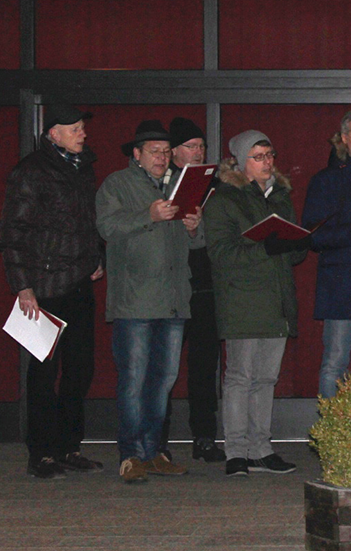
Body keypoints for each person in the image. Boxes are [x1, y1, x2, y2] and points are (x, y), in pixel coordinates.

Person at [0, 102, 105, 479]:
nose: (83, 133)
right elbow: (13, 232)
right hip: (44, 286)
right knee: (44, 373)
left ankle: (68, 447)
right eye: (74, 129)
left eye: (82, 127)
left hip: (78, 282)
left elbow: (89, 221)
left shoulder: (83, 167)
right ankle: (41, 453)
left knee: (80, 369)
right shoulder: (31, 170)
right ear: (53, 134)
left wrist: (97, 255)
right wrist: (23, 287)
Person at [96, 120, 201, 483]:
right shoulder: (117, 184)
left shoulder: (179, 185)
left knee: (164, 380)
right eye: (154, 151)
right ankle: (130, 455)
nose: (162, 157)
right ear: (136, 154)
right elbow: (106, 227)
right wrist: (149, 215)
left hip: (174, 300)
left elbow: (198, 242)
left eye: (167, 151)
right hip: (135, 302)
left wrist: (193, 228)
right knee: (134, 380)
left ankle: (154, 450)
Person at [205, 130, 309, 477]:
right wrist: (265, 247)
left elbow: (291, 255)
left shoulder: (279, 196)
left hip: (276, 300)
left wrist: (296, 244)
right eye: (258, 156)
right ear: (240, 162)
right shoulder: (224, 199)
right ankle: (236, 451)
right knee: (240, 377)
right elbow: (221, 254)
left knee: (266, 378)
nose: (268, 162)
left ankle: (260, 449)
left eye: (270, 155)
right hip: (242, 299)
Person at [162, 116, 225, 463]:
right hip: (170, 288)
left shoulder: (216, 184)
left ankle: (204, 436)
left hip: (205, 287)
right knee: (164, 369)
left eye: (202, 146)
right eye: (191, 146)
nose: (199, 152)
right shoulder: (159, 183)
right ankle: (157, 439)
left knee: (204, 367)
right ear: (173, 152)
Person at [302, 110, 351, 399]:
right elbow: (312, 236)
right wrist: (350, 231)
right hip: (342, 284)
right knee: (335, 362)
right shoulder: (326, 181)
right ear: (344, 139)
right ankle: (330, 425)